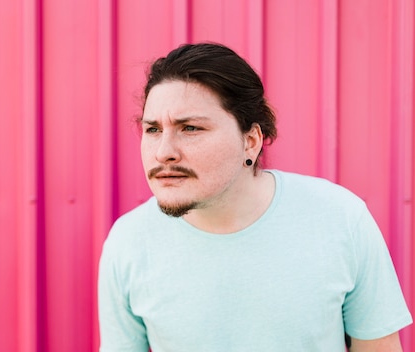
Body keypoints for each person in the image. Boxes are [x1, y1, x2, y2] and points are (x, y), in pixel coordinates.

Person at [97, 42, 412, 351]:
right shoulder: (129, 242)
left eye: (190, 128)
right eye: (153, 130)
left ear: (250, 141)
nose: (163, 152)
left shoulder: (339, 218)